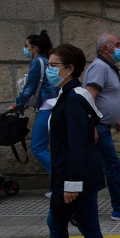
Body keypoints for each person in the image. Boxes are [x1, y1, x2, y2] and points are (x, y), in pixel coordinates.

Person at [47, 43, 106, 238]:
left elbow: (77, 144)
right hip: (65, 177)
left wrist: (72, 184)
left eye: (54, 65)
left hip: (75, 181)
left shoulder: (73, 98)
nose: (49, 70)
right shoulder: (67, 95)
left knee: (90, 230)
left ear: (69, 68)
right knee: (56, 224)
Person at [82, 33, 120, 222]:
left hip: (102, 125)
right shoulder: (100, 67)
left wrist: (114, 119)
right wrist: (92, 124)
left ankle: (82, 206)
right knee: (112, 166)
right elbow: (89, 97)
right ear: (105, 49)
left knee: (99, 166)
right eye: (117, 44)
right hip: (98, 127)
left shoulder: (107, 67)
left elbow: (103, 100)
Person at [8, 30, 59, 198]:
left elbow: (30, 87)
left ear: (34, 48)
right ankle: (57, 183)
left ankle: (60, 181)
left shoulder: (37, 62)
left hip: (46, 107)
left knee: (37, 146)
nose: (25, 49)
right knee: (51, 147)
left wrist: (19, 103)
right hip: (54, 106)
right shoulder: (47, 61)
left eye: (26, 46)